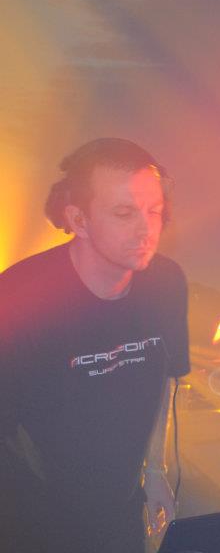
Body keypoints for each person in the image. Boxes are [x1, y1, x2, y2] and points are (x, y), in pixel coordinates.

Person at [0, 138, 189, 552]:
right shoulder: (18, 298)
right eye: (124, 213)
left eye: (154, 210)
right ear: (79, 219)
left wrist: (154, 470)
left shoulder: (167, 283)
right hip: (29, 518)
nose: (146, 228)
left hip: (120, 512)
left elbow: (165, 380)